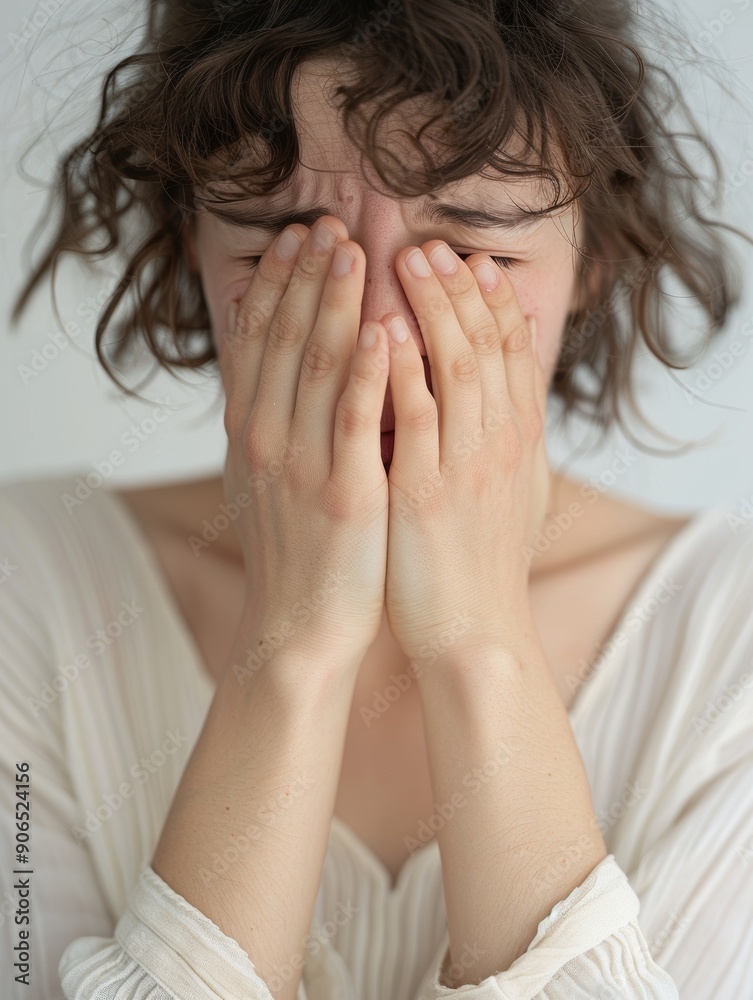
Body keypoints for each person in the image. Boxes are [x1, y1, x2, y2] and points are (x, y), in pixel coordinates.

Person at [2, 0, 753, 997]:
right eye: (283, 240)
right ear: (191, 241)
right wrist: (292, 647)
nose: (374, 335)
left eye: (473, 249)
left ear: (593, 260)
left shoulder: (730, 637)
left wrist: (479, 643)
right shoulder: (27, 583)